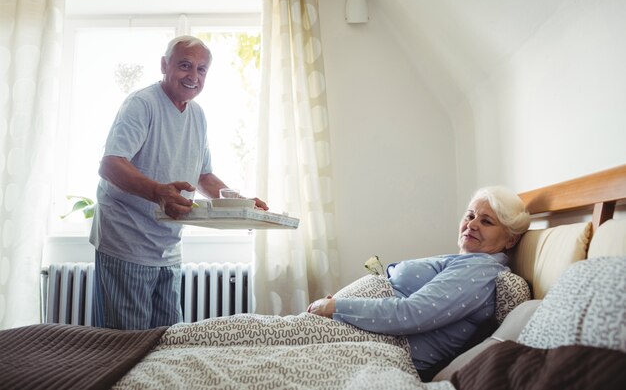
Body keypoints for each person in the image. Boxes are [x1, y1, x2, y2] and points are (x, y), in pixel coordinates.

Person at [90, 35, 268, 330]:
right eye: (185, 65)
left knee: (167, 340)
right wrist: (159, 192)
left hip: (167, 247)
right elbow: (110, 164)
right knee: (126, 346)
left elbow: (204, 175)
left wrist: (242, 204)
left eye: (201, 70)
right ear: (164, 65)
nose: (193, 76)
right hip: (126, 241)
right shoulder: (142, 104)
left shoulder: (197, 115)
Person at [307, 186, 530, 378]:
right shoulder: (468, 261)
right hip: (359, 331)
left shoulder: (480, 269)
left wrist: (336, 306)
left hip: (381, 345)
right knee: (272, 335)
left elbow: (412, 313)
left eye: (486, 221)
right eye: (470, 216)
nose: (472, 225)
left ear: (510, 239)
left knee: (273, 339)